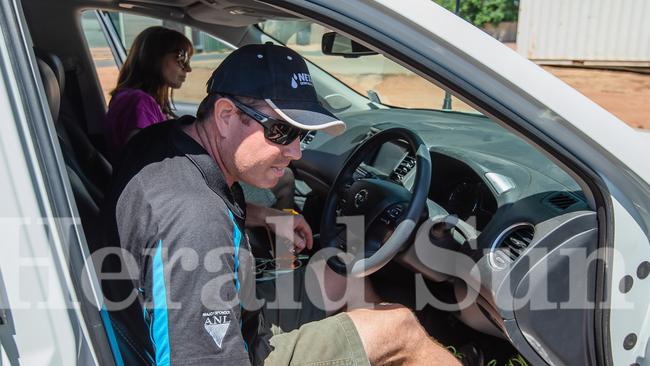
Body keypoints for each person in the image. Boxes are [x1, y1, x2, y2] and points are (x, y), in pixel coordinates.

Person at [102, 44, 460, 365]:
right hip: (240, 346)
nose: (296, 151)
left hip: (238, 308)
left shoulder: (163, 142)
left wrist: (264, 215)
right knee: (399, 329)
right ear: (226, 116)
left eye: (303, 134)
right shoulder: (195, 220)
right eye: (281, 131)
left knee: (339, 270)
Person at [104, 26, 193, 158]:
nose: (188, 68)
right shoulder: (139, 102)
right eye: (181, 58)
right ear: (155, 57)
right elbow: (143, 164)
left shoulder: (129, 97)